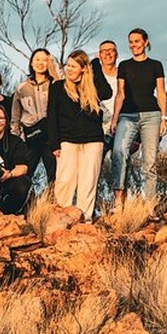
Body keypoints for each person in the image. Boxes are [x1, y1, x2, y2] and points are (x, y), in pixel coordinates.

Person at [47, 49, 113, 222]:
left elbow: (107, 92)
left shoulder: (92, 87)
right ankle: (61, 219)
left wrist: (96, 66)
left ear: (83, 68)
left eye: (73, 66)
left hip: (93, 141)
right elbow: (51, 116)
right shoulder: (58, 87)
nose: (68, 69)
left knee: (88, 182)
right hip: (67, 141)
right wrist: (54, 143)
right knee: (64, 182)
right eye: (67, 65)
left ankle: (86, 220)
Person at [109, 28, 167, 221]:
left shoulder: (156, 65)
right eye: (130, 42)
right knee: (119, 152)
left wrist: (164, 119)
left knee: (149, 161)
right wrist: (115, 119)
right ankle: (118, 202)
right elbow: (120, 94)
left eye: (137, 41)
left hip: (152, 115)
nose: (133, 45)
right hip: (127, 114)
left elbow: (161, 92)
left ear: (145, 42)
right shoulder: (124, 65)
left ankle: (150, 206)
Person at [11, 48, 58, 183]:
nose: (40, 63)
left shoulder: (55, 84)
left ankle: (52, 202)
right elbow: (15, 117)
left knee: (54, 174)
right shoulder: (21, 88)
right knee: (24, 175)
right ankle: (24, 202)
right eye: (37, 59)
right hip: (30, 137)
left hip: (50, 136)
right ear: (31, 63)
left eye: (44, 60)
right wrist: (16, 140)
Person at [94, 40, 120, 152]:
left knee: (120, 163)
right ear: (99, 55)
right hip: (99, 128)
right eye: (103, 51)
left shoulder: (124, 75)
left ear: (116, 54)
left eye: (111, 50)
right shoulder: (93, 76)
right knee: (96, 165)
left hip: (120, 126)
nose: (107, 54)